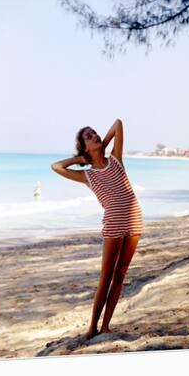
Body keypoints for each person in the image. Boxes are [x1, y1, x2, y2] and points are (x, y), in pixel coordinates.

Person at [50, 119, 144, 340]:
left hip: (134, 219)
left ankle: (106, 326)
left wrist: (102, 144)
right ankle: (93, 327)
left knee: (120, 275)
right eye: (89, 136)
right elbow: (56, 167)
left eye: (95, 133)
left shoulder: (116, 159)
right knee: (106, 276)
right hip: (113, 222)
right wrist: (81, 159)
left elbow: (118, 124)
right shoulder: (86, 175)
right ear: (84, 147)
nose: (95, 135)